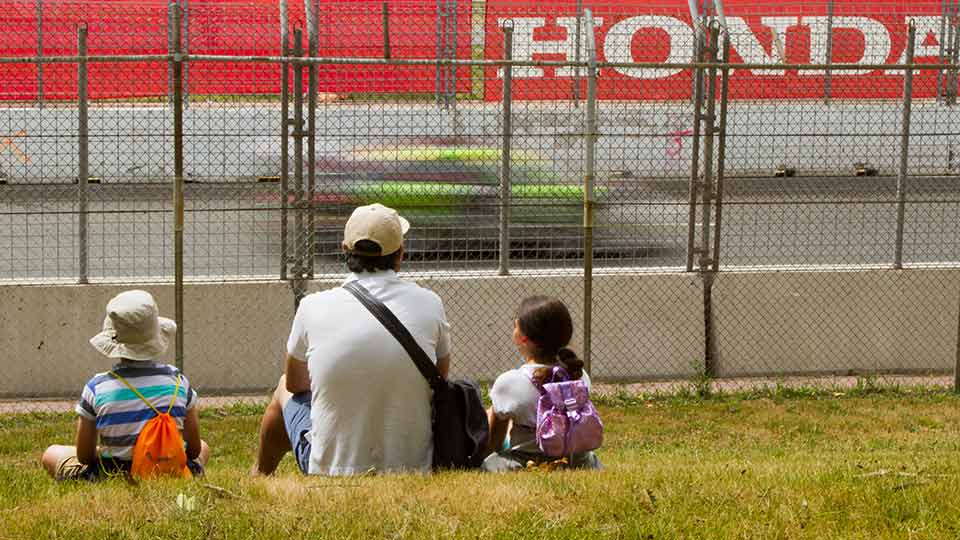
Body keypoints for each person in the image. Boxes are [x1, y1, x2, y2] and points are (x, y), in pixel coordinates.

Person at [253, 203, 452, 476]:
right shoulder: (430, 303)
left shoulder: (312, 306)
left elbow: (296, 383)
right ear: (400, 254)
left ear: (344, 249)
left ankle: (261, 475)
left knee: (282, 388)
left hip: (331, 468)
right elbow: (440, 376)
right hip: (414, 465)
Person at [41, 290, 209, 481]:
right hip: (168, 467)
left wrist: (109, 450)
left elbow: (85, 456)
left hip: (112, 473)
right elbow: (194, 449)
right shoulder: (179, 382)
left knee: (52, 453)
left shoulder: (97, 387)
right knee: (204, 446)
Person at [483, 296, 601, 472]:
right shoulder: (579, 375)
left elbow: (495, 443)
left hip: (526, 461)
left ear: (522, 337)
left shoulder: (509, 382)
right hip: (578, 460)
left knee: (491, 426)